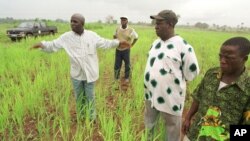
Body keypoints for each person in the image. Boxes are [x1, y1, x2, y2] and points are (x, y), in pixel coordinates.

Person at [31, 13, 130, 121]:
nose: (72, 24)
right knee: (79, 98)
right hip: (76, 75)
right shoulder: (66, 37)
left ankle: (92, 118)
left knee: (90, 97)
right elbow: (53, 45)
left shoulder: (91, 36)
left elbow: (105, 43)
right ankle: (81, 116)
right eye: (71, 21)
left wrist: (118, 43)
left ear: (82, 23)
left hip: (90, 74)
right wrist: (42, 44)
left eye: (75, 21)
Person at [143, 10, 200, 141]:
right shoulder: (155, 43)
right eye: (155, 23)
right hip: (150, 94)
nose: (155, 26)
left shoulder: (183, 46)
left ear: (170, 24)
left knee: (172, 128)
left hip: (170, 98)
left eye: (159, 23)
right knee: (149, 124)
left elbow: (191, 72)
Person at [182, 37, 250, 141]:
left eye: (229, 58)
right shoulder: (211, 74)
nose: (222, 61)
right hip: (195, 134)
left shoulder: (247, 86)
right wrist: (188, 118)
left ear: (244, 59)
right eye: (220, 56)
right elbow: (198, 97)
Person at [113, 16, 138, 86]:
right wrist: (116, 42)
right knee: (117, 64)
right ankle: (116, 78)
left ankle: (127, 77)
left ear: (127, 21)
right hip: (118, 49)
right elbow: (114, 36)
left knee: (127, 64)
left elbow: (136, 37)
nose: (123, 22)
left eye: (124, 20)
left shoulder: (131, 30)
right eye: (121, 20)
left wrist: (131, 45)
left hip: (126, 50)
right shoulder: (117, 28)